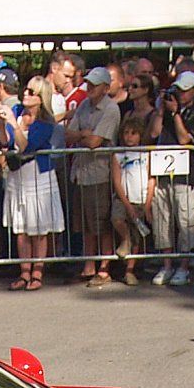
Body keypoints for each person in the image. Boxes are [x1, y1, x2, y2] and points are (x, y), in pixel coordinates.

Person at [2, 76, 65, 290]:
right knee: (21, 228)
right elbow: (7, 142)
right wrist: (2, 124)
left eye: (31, 92)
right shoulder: (18, 111)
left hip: (38, 175)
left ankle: (37, 273)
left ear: (41, 98)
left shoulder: (46, 122)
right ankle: (24, 272)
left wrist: (14, 124)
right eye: (26, 90)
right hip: (18, 175)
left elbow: (27, 147)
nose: (26, 94)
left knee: (38, 228)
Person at [150, 70, 194, 285]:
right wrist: (160, 110)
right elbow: (154, 133)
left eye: (184, 91)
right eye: (178, 90)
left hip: (186, 174)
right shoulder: (165, 109)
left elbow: (185, 139)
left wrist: (176, 114)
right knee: (162, 219)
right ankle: (166, 265)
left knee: (186, 222)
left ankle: (184, 266)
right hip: (163, 172)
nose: (180, 94)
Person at [69, 68, 123, 285]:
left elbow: (95, 142)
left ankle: (104, 267)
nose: (89, 87)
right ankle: (89, 265)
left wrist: (83, 136)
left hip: (100, 173)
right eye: (89, 83)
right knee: (85, 223)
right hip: (80, 172)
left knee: (102, 223)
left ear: (106, 88)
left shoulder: (111, 109)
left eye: (95, 84)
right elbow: (68, 134)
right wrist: (84, 134)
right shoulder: (83, 105)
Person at [109, 113, 154, 285]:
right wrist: (127, 204)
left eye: (133, 133)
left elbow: (151, 179)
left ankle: (130, 271)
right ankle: (125, 238)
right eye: (126, 133)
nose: (129, 137)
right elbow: (116, 180)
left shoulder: (146, 154)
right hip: (124, 198)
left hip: (141, 198)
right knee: (117, 218)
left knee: (137, 237)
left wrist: (147, 205)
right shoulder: (118, 155)